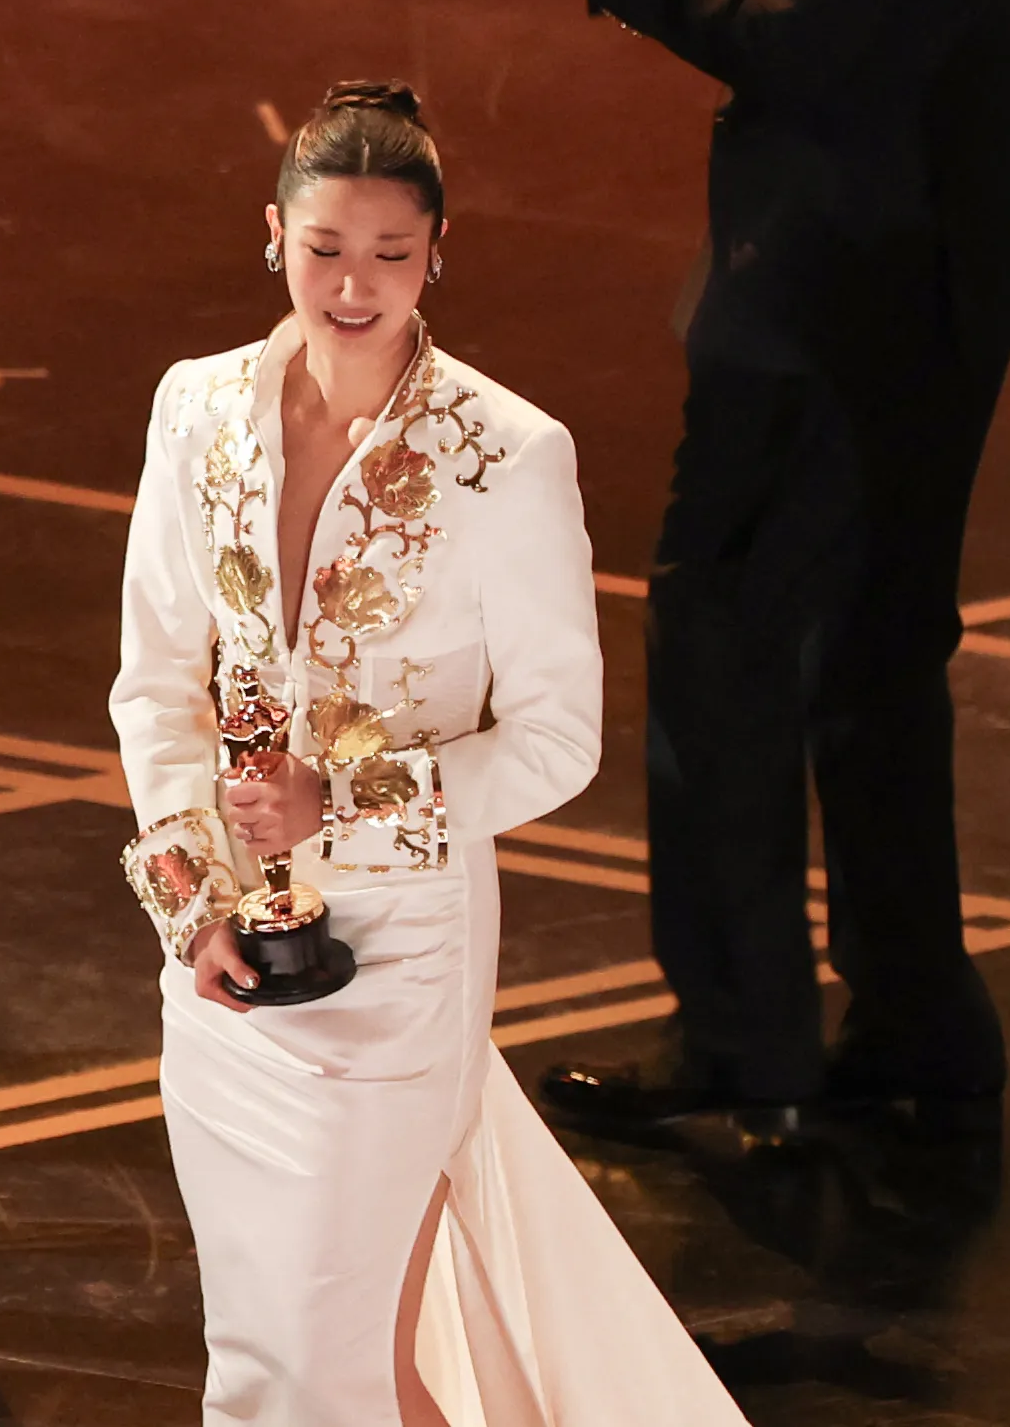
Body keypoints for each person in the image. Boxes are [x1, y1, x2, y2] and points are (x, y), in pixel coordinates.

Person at [454, 0, 1010, 1138]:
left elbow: (803, 39)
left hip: (833, 300)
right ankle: (918, 1017)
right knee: (868, 659)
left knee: (724, 648)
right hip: (933, 269)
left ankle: (739, 1041)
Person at [110, 83, 749, 1425]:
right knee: (266, 1362)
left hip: (398, 963)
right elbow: (157, 676)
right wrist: (187, 898)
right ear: (271, 235)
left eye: (390, 256)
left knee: (318, 1371)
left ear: (437, 252)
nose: (354, 286)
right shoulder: (200, 409)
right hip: (224, 965)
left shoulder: (505, 457)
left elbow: (558, 742)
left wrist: (333, 803)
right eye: (324, 250)